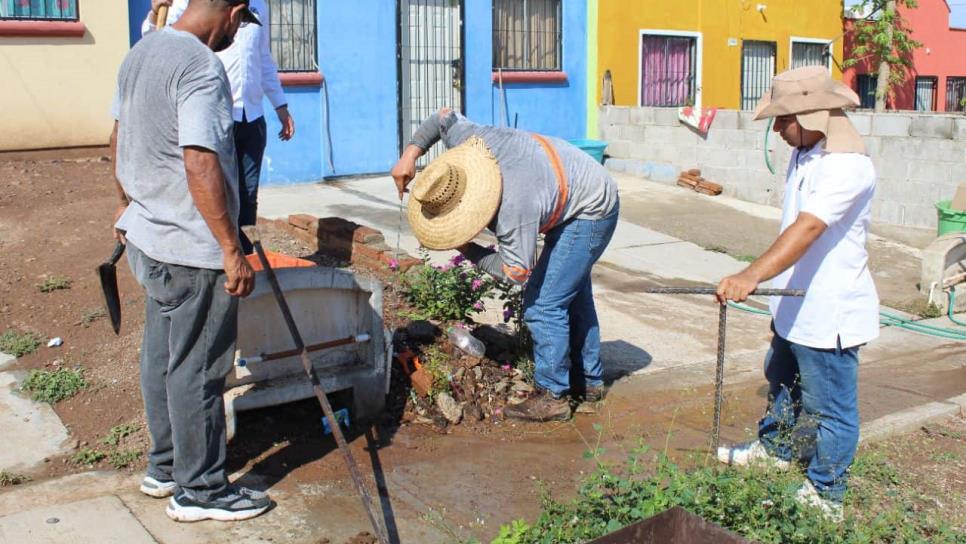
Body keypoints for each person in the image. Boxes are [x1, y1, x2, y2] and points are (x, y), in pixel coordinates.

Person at [111, 0, 271, 522]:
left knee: (162, 356)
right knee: (200, 368)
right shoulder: (202, 66)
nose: (236, 35)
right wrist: (230, 249)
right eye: (240, 25)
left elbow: (117, 137)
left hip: (148, 239)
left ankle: (165, 466)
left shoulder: (142, 51)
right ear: (233, 12)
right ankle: (199, 490)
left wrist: (126, 203)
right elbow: (200, 158)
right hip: (190, 247)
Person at [715, 66, 880, 522]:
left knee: (831, 408)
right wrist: (773, 294)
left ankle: (827, 493)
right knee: (781, 383)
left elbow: (808, 229)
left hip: (830, 311)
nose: (777, 130)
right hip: (795, 302)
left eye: (782, 120)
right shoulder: (806, 155)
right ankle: (777, 450)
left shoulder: (848, 166)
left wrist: (750, 276)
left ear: (812, 116)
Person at [391, 110, 620, 422]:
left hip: (592, 208)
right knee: (572, 293)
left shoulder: (515, 207)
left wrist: (467, 249)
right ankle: (589, 383)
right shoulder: (470, 143)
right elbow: (441, 118)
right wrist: (409, 156)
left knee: (544, 303)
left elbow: (515, 272)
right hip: (571, 183)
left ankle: (553, 396)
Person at [145, 0, 296, 254]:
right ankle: (213, 256)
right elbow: (160, 40)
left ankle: (246, 256)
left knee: (247, 195)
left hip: (252, 116)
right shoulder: (193, 3)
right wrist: (153, 14)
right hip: (215, 114)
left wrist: (280, 105)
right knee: (213, 190)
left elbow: (264, 59)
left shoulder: (258, 5)